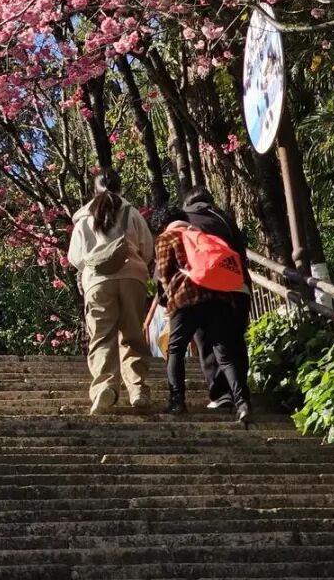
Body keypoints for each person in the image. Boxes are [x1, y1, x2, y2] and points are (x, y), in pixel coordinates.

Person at [151, 203, 251, 425]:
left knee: (175, 349)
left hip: (186, 299)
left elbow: (165, 275)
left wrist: (169, 303)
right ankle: (242, 402)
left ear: (162, 224)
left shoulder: (167, 237)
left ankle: (177, 401)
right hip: (219, 299)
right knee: (224, 354)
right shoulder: (202, 235)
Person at [67, 167, 154, 415]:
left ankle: (105, 386)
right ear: (120, 188)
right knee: (132, 335)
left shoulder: (84, 218)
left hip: (97, 281)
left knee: (101, 336)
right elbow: (147, 249)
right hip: (132, 277)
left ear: (95, 190)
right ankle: (137, 389)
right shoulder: (132, 213)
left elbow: (75, 258)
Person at [181, 185, 252, 409]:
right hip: (237, 287)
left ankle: (221, 393)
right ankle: (241, 391)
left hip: (205, 289)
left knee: (208, 342)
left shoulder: (186, 220)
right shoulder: (224, 219)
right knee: (235, 340)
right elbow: (241, 254)